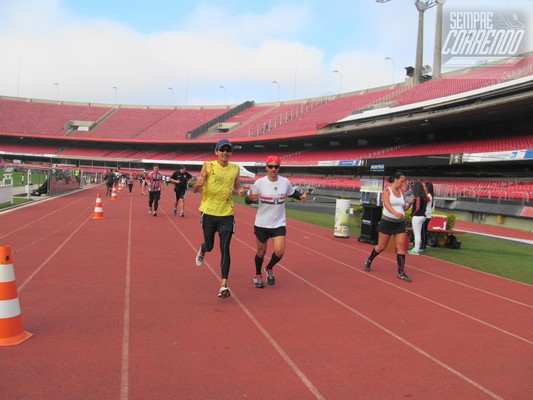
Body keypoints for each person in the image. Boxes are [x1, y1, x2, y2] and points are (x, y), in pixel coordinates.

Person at [192, 139, 245, 298]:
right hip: (208, 212)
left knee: (225, 248)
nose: (225, 153)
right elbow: (195, 190)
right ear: (216, 151)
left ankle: (223, 285)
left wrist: (240, 191)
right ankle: (202, 250)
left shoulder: (235, 168)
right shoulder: (208, 166)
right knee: (210, 245)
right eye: (222, 150)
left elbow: (237, 186)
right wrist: (198, 183)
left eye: (228, 150)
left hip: (226, 214)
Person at [245, 156, 308, 288]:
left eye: (276, 166)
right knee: (261, 252)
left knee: (279, 252)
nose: (273, 169)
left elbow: (291, 192)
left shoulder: (285, 182)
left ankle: (269, 268)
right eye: (271, 166)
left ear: (279, 168)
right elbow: (248, 199)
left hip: (278, 223)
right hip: (262, 224)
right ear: (266, 168)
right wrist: (250, 198)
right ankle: (257, 274)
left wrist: (301, 196)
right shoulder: (259, 183)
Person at [363, 171, 414, 282]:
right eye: (402, 181)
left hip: (400, 223)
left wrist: (409, 204)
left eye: (404, 182)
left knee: (400, 246)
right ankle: (369, 260)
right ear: (395, 180)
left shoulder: (401, 193)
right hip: (387, 222)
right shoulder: (386, 191)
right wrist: (395, 213)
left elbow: (403, 208)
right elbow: (387, 204)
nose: (403, 184)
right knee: (381, 246)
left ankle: (401, 272)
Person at [408, 181, 427, 255]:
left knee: (417, 234)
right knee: (418, 234)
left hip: (417, 216)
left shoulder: (418, 197)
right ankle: (417, 248)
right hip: (422, 216)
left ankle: (416, 249)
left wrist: (412, 214)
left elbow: (417, 208)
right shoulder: (424, 197)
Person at [421, 181, 434, 251]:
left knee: (423, 231)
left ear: (427, 187)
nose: (424, 188)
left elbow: (424, 202)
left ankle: (423, 246)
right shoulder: (429, 195)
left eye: (424, 186)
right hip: (427, 215)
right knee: (423, 231)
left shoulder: (428, 196)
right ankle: (422, 245)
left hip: (426, 215)